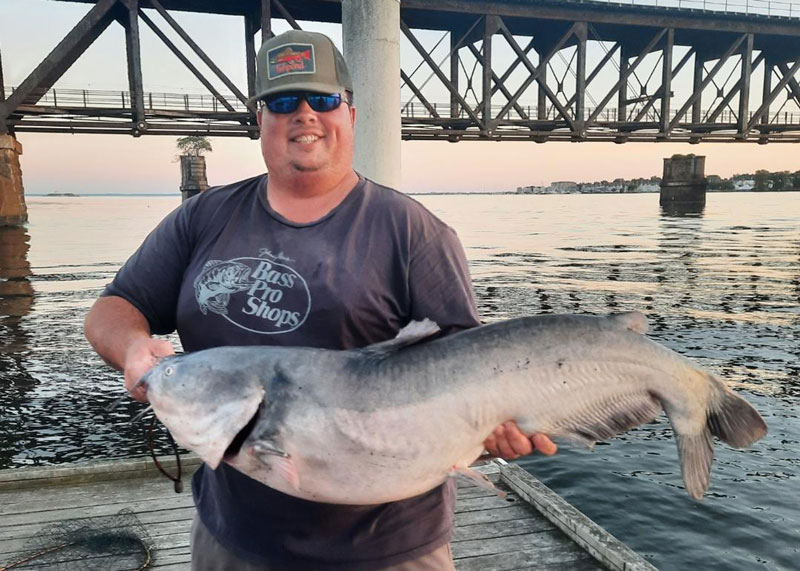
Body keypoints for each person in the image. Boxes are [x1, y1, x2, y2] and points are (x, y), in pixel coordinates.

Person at [84, 29, 556, 571]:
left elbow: (471, 368)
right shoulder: (202, 219)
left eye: (323, 99)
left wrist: (494, 424)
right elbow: (114, 306)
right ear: (260, 119)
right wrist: (133, 347)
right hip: (233, 539)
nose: (304, 114)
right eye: (283, 101)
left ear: (349, 114)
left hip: (389, 549)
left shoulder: (414, 233)